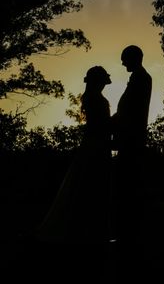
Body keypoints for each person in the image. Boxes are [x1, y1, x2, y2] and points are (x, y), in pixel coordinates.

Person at [37, 65, 113, 244]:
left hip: (94, 143)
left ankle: (86, 229)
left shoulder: (92, 98)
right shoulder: (96, 99)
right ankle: (87, 230)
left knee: (86, 184)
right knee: (90, 184)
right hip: (96, 144)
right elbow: (100, 125)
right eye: (101, 81)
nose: (103, 85)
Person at [111, 45, 152, 247]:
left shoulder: (141, 78)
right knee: (126, 184)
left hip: (131, 138)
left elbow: (131, 109)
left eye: (124, 58)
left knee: (127, 185)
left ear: (134, 58)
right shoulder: (138, 78)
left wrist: (113, 125)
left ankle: (129, 233)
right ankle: (128, 231)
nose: (122, 63)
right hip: (129, 136)